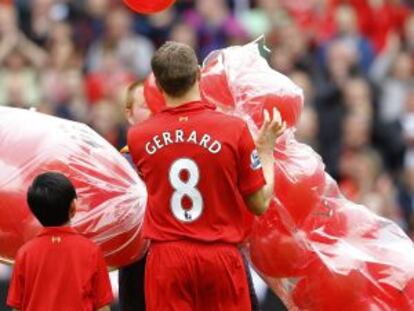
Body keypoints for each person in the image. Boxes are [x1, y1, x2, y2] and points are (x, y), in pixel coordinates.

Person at [127, 41, 285, 311]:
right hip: (219, 256)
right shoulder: (233, 130)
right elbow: (259, 204)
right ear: (199, 75)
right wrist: (266, 153)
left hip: (168, 258)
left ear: (159, 87)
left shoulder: (138, 138)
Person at [7, 172, 113, 311]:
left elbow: (17, 307)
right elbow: (102, 307)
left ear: (35, 211)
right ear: (73, 207)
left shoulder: (25, 253)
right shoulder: (91, 251)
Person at [118, 80, 149, 311]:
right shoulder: (120, 163)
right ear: (129, 114)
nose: (156, 110)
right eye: (147, 105)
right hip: (136, 264)